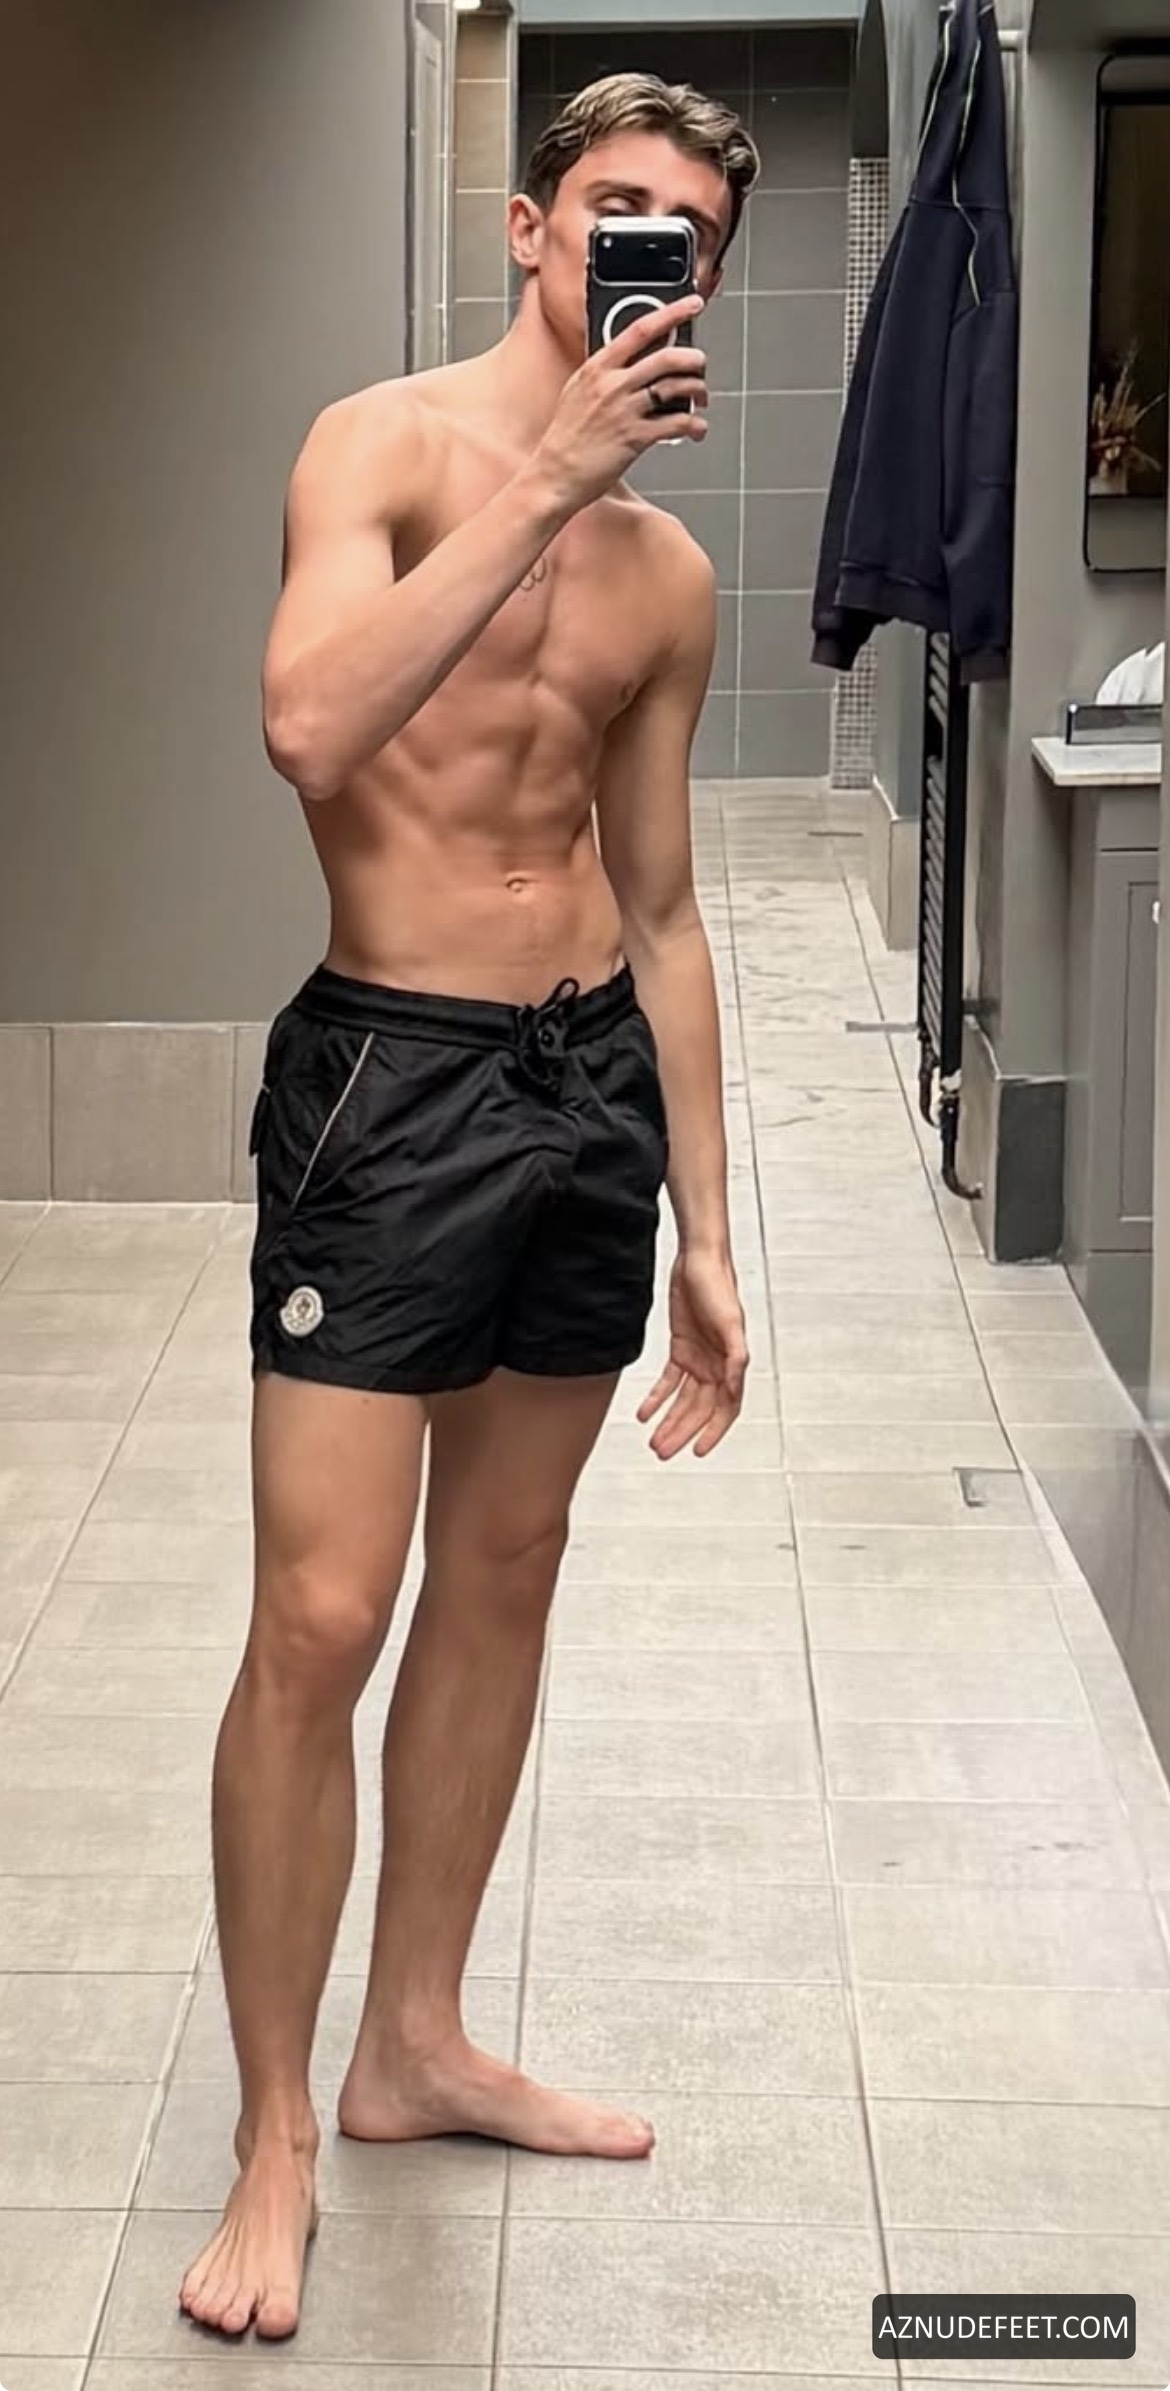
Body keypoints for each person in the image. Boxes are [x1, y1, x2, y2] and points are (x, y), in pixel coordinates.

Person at [179, 71, 758, 2342]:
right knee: (321, 1618)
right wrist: (554, 477)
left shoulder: (673, 579)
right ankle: (276, 2130)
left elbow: (668, 902)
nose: (644, 255)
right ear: (532, 230)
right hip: (389, 1078)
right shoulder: (386, 450)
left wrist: (710, 1221)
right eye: (615, 210)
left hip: (580, 1080)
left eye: (686, 233)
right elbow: (310, 731)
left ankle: (409, 2043)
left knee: (503, 1576)